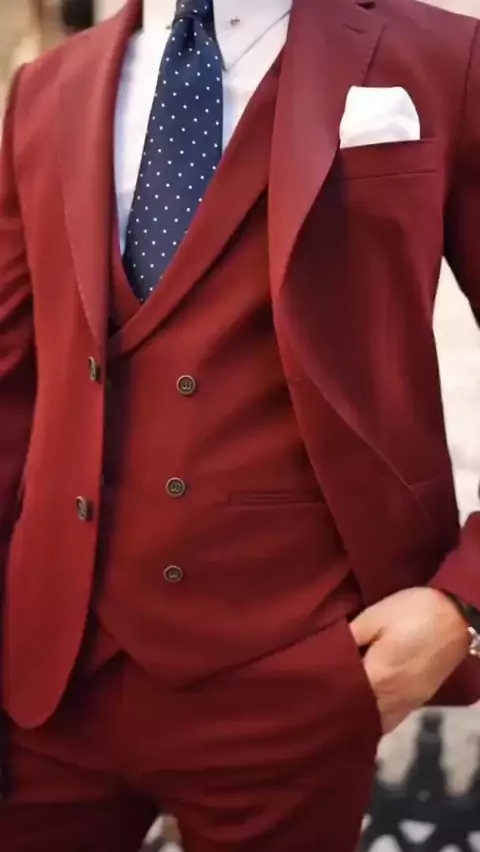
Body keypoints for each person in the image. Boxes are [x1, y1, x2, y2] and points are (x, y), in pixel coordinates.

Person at [1, 0, 480, 849]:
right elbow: (10, 386)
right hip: (47, 682)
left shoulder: (448, 57)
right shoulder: (46, 88)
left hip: (296, 675)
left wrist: (465, 603)